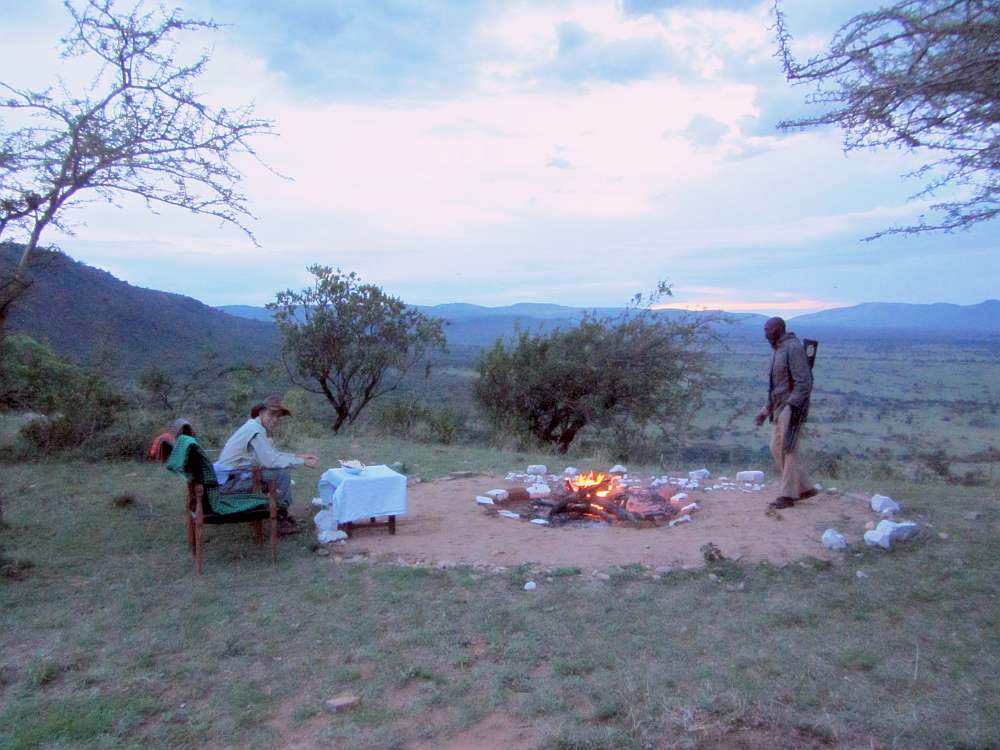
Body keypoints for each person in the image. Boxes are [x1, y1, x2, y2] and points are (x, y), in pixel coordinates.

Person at [216, 394, 319, 533]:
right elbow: (271, 461)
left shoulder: (254, 426)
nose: (274, 420)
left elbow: (270, 455)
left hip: (230, 478)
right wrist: (302, 462)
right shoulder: (255, 430)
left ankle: (277, 512)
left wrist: (298, 456)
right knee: (281, 474)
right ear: (261, 412)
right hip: (230, 483)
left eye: (278, 417)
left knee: (274, 472)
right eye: (271, 415)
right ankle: (281, 518)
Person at [754, 317, 817, 510]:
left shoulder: (793, 348)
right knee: (776, 447)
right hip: (779, 407)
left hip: (791, 408)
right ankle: (804, 488)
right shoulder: (778, 350)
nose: (765, 333)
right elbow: (776, 387)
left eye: (768, 329)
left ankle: (787, 495)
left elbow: (804, 381)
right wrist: (766, 410)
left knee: (788, 449)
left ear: (779, 329)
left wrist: (790, 406)